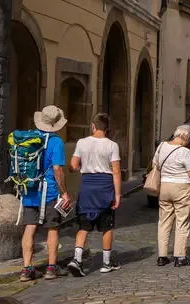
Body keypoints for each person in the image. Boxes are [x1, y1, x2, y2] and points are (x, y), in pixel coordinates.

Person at [19, 105, 71, 281]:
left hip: (30, 189)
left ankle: (27, 269)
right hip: (49, 192)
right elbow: (57, 169)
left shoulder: (29, 138)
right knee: (52, 227)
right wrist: (64, 192)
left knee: (30, 227)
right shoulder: (56, 142)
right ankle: (51, 267)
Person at [67, 113, 122, 277]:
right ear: (107, 128)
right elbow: (116, 171)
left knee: (83, 225)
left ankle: (77, 259)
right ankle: (106, 263)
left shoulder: (82, 142)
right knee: (107, 226)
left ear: (93, 126)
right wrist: (117, 194)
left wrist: (81, 166)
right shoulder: (112, 145)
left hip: (87, 185)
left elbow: (73, 166)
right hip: (105, 186)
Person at [155, 125, 190, 267]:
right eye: (188, 140)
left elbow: (155, 164)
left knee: (164, 221)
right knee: (182, 221)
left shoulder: (162, 146)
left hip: (164, 186)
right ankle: (180, 256)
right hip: (181, 187)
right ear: (185, 138)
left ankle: (162, 256)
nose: (188, 143)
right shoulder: (184, 152)